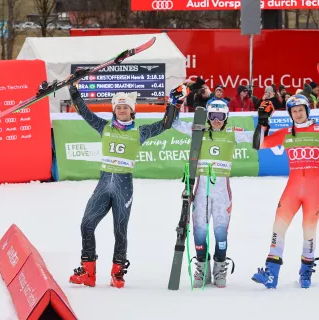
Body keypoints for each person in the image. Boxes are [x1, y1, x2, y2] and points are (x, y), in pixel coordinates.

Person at [67, 76, 175, 289]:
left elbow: (166, 124)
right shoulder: (104, 126)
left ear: (132, 111)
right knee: (86, 225)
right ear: (114, 109)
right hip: (104, 183)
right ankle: (88, 272)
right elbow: (85, 113)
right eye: (119, 107)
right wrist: (73, 91)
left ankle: (117, 273)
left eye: (126, 107)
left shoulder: (140, 131)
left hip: (123, 185)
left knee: (120, 230)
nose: (122, 110)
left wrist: (173, 103)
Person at [251, 94, 319, 289]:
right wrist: (263, 123)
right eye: (294, 111)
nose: (298, 114)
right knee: (278, 228)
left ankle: (305, 273)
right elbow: (259, 144)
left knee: (309, 232)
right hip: (293, 188)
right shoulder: (286, 133)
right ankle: (271, 274)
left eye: (301, 110)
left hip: (314, 190)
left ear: (307, 111)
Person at [172, 100, 254, 288]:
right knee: (199, 230)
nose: (216, 120)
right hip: (201, 190)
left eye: (220, 116)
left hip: (222, 191)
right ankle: (202, 267)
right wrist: (174, 103)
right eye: (213, 116)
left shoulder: (233, 133)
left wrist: (265, 120)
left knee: (221, 232)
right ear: (208, 117)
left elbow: (258, 137)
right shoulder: (198, 130)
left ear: (226, 118)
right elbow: (174, 123)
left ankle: (219, 267)